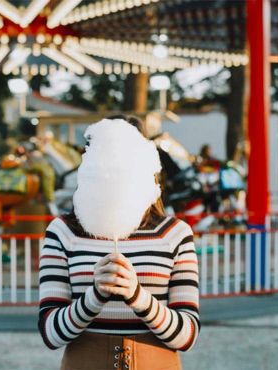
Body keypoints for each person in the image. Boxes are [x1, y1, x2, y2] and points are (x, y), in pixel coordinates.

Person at [38, 117, 200, 370]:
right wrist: (94, 296)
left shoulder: (175, 234)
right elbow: (51, 334)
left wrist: (138, 297)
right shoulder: (62, 232)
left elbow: (187, 335)